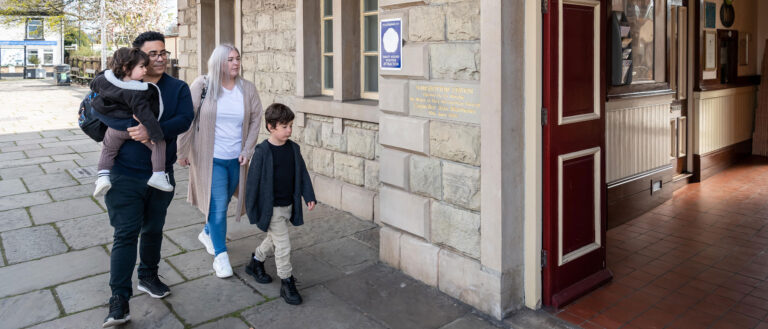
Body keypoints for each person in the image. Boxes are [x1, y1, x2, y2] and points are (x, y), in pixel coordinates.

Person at [95, 31, 194, 328]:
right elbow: (98, 112)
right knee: (125, 234)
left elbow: (185, 119)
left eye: (163, 52)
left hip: (160, 171)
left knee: (153, 229)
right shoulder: (118, 84)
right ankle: (119, 299)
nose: (161, 58)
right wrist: (129, 125)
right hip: (124, 172)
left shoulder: (177, 88)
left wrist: (153, 129)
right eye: (153, 54)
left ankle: (148, 276)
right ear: (137, 57)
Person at [176, 44, 264, 278]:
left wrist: (248, 149)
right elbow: (188, 118)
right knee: (217, 206)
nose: (236, 63)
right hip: (210, 157)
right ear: (218, 63)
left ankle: (207, 232)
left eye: (237, 58)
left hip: (236, 158)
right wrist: (182, 151)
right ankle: (221, 257)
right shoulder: (203, 86)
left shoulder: (247, 89)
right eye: (230, 59)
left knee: (223, 202)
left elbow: (256, 119)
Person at [244, 103, 316, 305]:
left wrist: (308, 195)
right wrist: (252, 209)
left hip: (288, 205)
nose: (289, 130)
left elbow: (302, 174)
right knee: (283, 246)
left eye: (291, 125)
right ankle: (286, 281)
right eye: (284, 126)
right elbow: (252, 184)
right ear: (271, 127)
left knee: (274, 239)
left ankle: (256, 261)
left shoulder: (293, 149)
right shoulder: (262, 152)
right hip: (272, 208)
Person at [91, 47, 173, 198]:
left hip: (114, 128)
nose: (145, 71)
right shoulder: (137, 91)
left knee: (108, 149)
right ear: (126, 67)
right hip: (135, 128)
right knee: (159, 145)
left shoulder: (105, 81)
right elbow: (145, 115)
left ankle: (102, 177)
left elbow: (94, 85)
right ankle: (158, 175)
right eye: (141, 67)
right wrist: (155, 133)